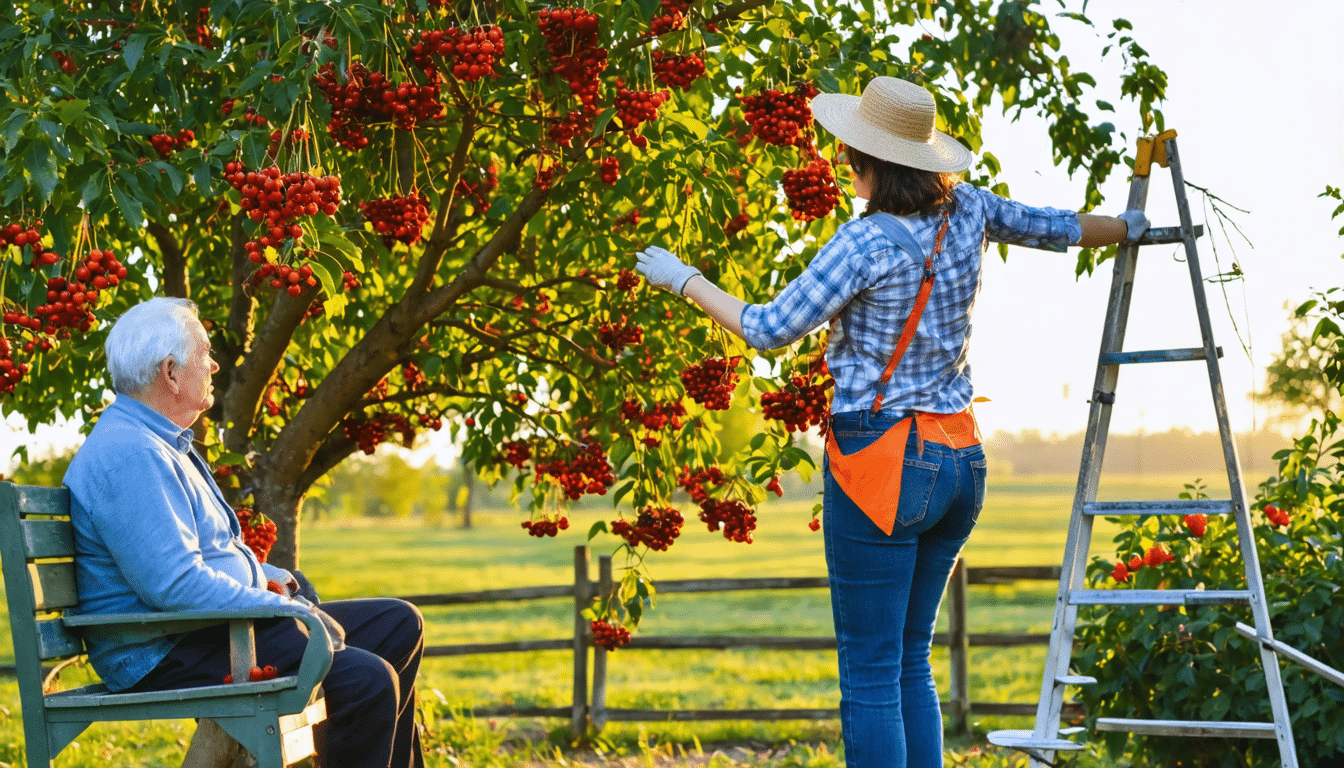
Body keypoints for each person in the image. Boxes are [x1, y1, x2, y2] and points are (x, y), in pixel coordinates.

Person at [635, 76, 1148, 768]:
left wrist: (684, 279)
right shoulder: (968, 210)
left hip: (883, 465)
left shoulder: (863, 243)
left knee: (872, 672)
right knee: (912, 660)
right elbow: (1056, 227)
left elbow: (768, 329)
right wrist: (1131, 228)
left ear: (867, 160)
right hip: (960, 459)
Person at [64, 297, 425, 768]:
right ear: (170, 373)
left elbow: (208, 554)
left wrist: (271, 577)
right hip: (165, 650)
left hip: (208, 631)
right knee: (365, 679)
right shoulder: (132, 453)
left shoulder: (158, 442)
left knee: (398, 624)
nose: (214, 364)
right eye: (204, 353)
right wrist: (284, 607)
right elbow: (174, 586)